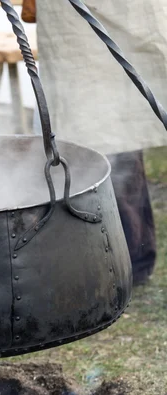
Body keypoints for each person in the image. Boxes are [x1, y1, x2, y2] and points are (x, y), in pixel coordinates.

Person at [34, 0, 167, 285]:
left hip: (129, 11)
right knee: (80, 127)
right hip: (68, 19)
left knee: (121, 132)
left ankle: (132, 257)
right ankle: (92, 257)